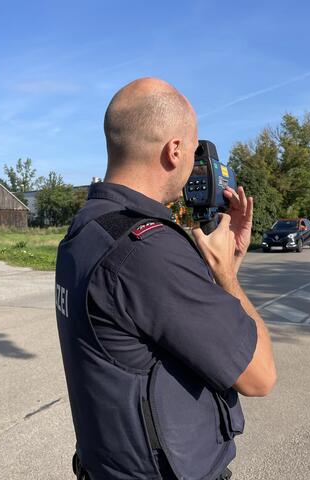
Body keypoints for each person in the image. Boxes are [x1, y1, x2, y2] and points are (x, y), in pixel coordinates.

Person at [55, 77, 276, 480]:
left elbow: (152, 322)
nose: (193, 162)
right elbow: (260, 376)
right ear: (174, 150)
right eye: (193, 150)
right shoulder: (149, 250)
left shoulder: (87, 229)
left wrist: (228, 265)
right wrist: (225, 277)